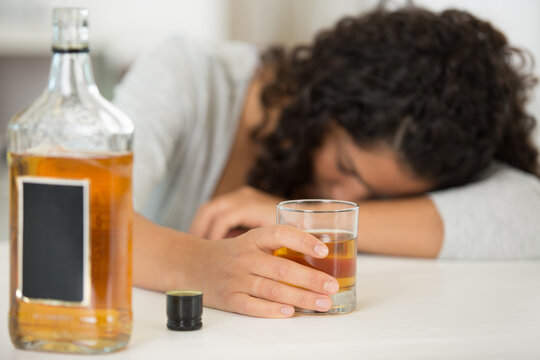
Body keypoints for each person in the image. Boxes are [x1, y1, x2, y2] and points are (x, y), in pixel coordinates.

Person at [113, 5, 540, 318]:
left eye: (379, 198)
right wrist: (205, 264)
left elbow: (527, 211)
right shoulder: (186, 77)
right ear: (321, 105)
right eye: (347, 166)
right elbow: (78, 214)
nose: (344, 195)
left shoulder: (417, 158)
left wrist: (314, 224)